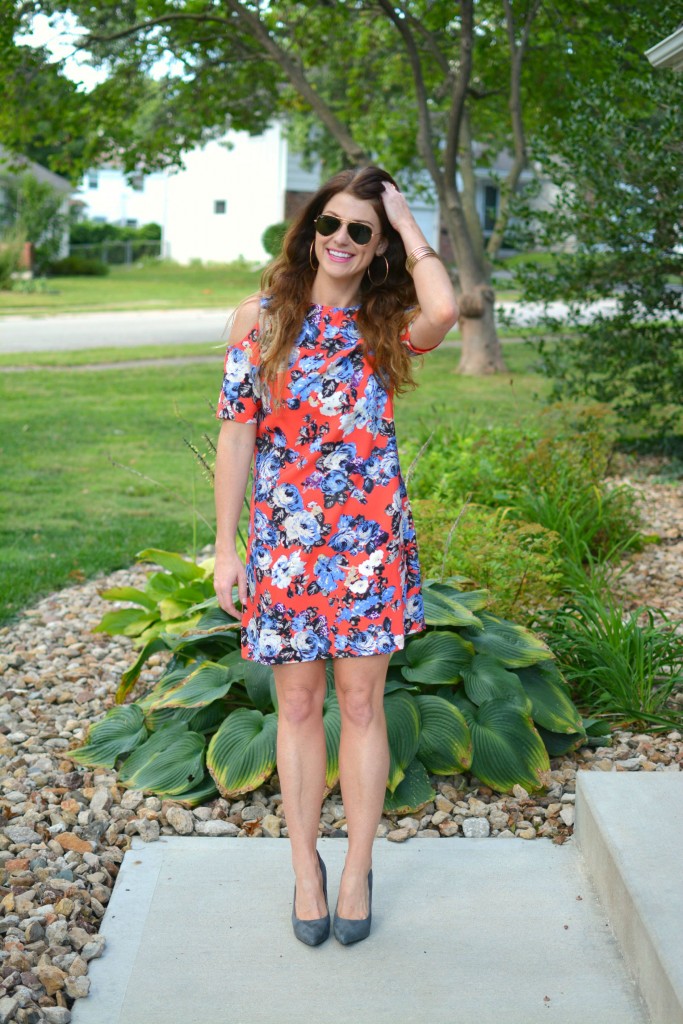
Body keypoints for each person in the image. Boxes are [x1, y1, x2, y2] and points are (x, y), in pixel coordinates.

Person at [213, 165, 458, 946]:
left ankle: (355, 867)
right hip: (285, 547)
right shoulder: (258, 319)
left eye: (361, 229)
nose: (342, 240)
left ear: (379, 245)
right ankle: (304, 871)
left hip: (367, 546)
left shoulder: (386, 327)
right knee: (293, 706)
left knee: (358, 705)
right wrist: (227, 546)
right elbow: (236, 432)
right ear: (309, 231)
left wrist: (408, 221)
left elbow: (447, 307)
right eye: (331, 224)